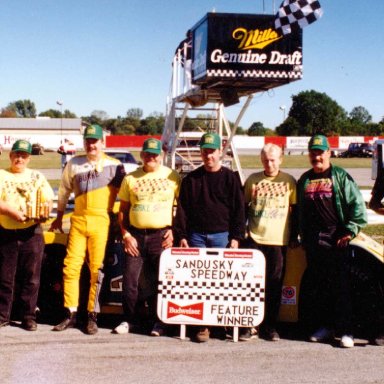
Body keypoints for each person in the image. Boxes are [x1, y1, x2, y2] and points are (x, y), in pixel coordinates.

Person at [50, 124, 126, 335]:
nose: (92, 144)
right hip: (78, 221)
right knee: (70, 267)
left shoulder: (115, 165)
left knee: (96, 269)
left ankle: (92, 316)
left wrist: (124, 223)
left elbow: (126, 195)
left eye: (95, 141)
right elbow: (64, 192)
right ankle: (70, 313)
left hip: (101, 220)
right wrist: (58, 217)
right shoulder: (74, 163)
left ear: (103, 142)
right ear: (84, 143)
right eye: (88, 141)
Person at [297, 134, 367, 348]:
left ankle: (347, 331)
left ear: (329, 153)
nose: (317, 156)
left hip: (337, 240)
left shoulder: (340, 176)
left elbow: (358, 206)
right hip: (313, 242)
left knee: (341, 288)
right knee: (319, 287)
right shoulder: (305, 180)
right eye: (313, 152)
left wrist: (349, 230)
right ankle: (326, 328)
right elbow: (299, 211)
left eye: (320, 152)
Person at [174, 132, 245, 342]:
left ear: (219, 151)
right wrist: (182, 235)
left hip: (222, 237)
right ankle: (202, 325)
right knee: (198, 284)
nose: (208, 155)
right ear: (201, 152)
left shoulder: (230, 178)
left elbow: (239, 210)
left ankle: (221, 323)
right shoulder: (191, 179)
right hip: (196, 237)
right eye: (205, 151)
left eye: (212, 151)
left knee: (223, 283)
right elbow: (183, 210)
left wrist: (236, 237)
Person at [112, 138, 180, 337]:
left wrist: (174, 230)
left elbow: (181, 208)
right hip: (136, 236)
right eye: (147, 154)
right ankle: (130, 320)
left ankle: (159, 321)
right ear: (141, 155)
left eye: (155, 154)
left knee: (161, 281)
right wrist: (125, 234)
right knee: (131, 280)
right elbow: (123, 209)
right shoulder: (130, 178)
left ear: (162, 155)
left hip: (160, 236)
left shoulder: (172, 176)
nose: (151, 157)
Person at [243, 143, 297, 341]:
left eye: (273, 160)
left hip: (278, 241)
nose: (269, 164)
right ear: (261, 160)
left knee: (274, 286)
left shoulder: (289, 181)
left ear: (281, 160)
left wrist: (293, 236)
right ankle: (250, 325)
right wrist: (242, 232)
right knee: (252, 285)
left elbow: (296, 210)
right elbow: (243, 207)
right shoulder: (253, 180)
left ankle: (269, 327)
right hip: (255, 239)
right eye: (266, 160)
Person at [0, 140, 54, 331]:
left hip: (32, 232)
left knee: (31, 277)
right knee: (5, 276)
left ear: (29, 158)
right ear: (10, 156)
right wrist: (10, 211)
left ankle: (28, 316)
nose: (20, 158)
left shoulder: (37, 176)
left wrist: (45, 210)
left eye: (24, 155)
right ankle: (3, 315)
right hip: (6, 232)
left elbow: (48, 199)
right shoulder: (2, 175)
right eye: (17, 154)